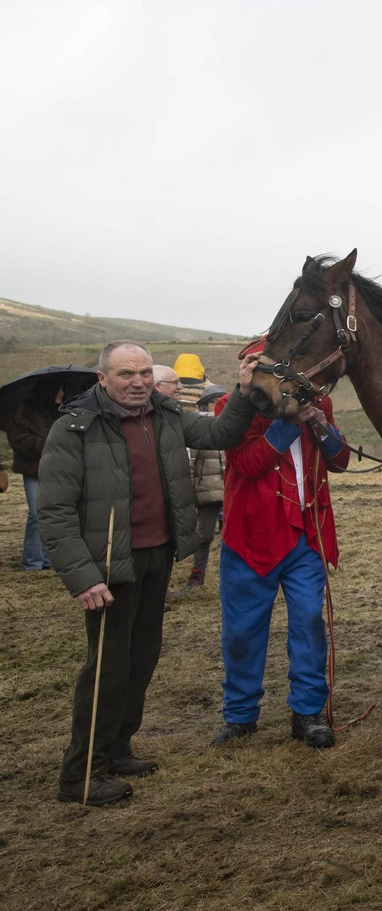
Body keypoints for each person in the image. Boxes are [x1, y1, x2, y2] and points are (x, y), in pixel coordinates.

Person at [39, 340, 258, 805]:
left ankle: (118, 749)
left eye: (142, 373)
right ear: (103, 379)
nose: (137, 382)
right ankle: (80, 774)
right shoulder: (74, 429)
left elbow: (220, 435)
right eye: (125, 375)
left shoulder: (164, 415)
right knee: (106, 668)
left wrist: (241, 390)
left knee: (141, 660)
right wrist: (84, 578)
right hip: (108, 568)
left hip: (157, 556)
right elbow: (54, 513)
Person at [209, 386, 350, 749]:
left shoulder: (320, 403)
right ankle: (240, 715)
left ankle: (308, 712)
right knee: (242, 630)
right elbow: (246, 463)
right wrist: (289, 423)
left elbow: (340, 461)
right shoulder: (232, 406)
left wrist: (320, 424)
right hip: (251, 534)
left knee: (308, 621)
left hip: (306, 533)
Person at [170, 382, 228, 601]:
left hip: (231, 491)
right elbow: (191, 462)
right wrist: (190, 491)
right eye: (215, 401)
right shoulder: (199, 426)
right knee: (204, 536)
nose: (220, 405)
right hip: (207, 491)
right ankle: (197, 575)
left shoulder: (231, 425)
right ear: (207, 403)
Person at [6, 380, 64, 571]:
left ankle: (48, 558)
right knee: (36, 514)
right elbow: (18, 440)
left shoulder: (60, 412)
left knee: (54, 514)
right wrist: (48, 444)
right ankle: (32, 561)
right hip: (34, 470)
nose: (62, 393)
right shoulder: (22, 412)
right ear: (48, 390)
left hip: (57, 470)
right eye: (59, 389)